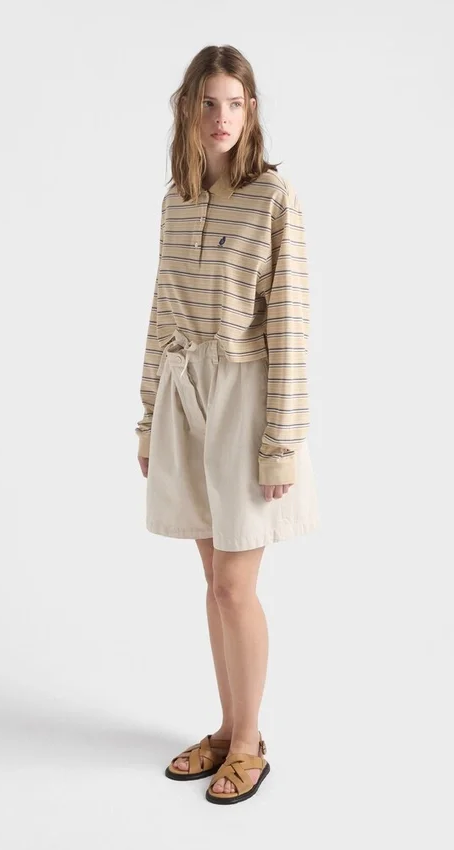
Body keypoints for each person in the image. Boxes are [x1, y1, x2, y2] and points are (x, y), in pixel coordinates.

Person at [134, 44, 320, 805]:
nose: (221, 117)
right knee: (214, 584)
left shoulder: (273, 195)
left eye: (234, 103)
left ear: (251, 111)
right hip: (185, 394)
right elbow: (161, 310)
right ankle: (227, 728)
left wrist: (281, 443)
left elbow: (291, 324)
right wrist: (148, 416)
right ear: (189, 108)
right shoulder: (176, 200)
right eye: (209, 103)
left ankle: (249, 744)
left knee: (237, 586)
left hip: (246, 394)